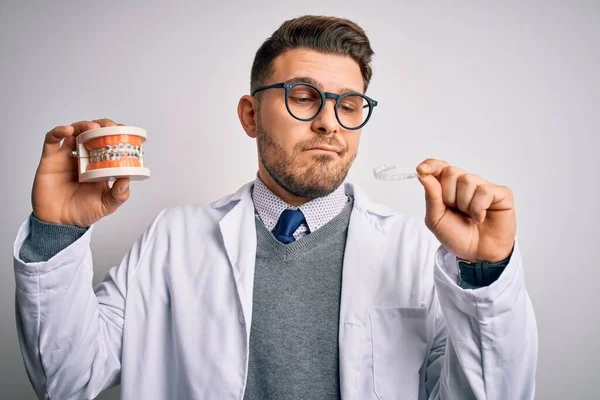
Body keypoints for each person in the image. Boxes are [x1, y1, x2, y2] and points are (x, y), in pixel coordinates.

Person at [13, 15, 537, 400]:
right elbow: (66, 378)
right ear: (249, 115)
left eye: (349, 105)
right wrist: (55, 230)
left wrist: (485, 274)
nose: (330, 123)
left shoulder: (417, 251)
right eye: (304, 96)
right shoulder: (172, 240)